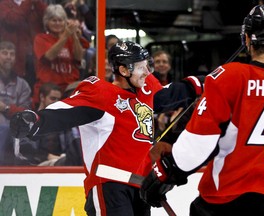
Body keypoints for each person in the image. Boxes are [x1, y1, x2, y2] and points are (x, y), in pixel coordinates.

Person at [9, 40, 203, 215]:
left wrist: (206, 83)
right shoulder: (101, 93)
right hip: (109, 186)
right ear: (124, 70)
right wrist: (35, 120)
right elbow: (66, 111)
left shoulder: (146, 89)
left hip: (141, 188)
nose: (147, 72)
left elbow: (169, 96)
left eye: (147, 65)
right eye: (140, 67)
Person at [139, 5, 264, 216]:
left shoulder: (229, 76)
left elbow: (198, 144)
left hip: (226, 200)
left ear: (246, 39)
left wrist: (166, 172)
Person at [32, 4, 83, 109]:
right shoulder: (41, 38)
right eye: (54, 20)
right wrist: (65, 35)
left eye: (60, 20)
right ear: (47, 22)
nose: (57, 23)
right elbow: (49, 56)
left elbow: (78, 58)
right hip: (49, 88)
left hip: (68, 88)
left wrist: (74, 36)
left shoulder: (69, 38)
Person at [0, 0, 47, 89]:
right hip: (14, 59)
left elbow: (48, 18)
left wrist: (37, 3)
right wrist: (29, 2)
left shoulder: (35, 3)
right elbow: (13, 20)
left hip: (35, 59)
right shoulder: (4, 4)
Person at [0, 41, 32, 165]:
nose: (8, 57)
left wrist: (5, 108)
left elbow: (26, 114)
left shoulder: (23, 85)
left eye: (12, 54)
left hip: (14, 130)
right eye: (4, 53)